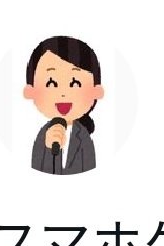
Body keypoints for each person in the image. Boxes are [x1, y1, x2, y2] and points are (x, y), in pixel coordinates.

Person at [23, 35, 104, 175]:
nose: (63, 94)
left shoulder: (83, 136)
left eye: (75, 83)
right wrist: (48, 148)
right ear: (31, 91)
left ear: (95, 91)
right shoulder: (44, 136)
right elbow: (37, 167)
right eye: (51, 83)